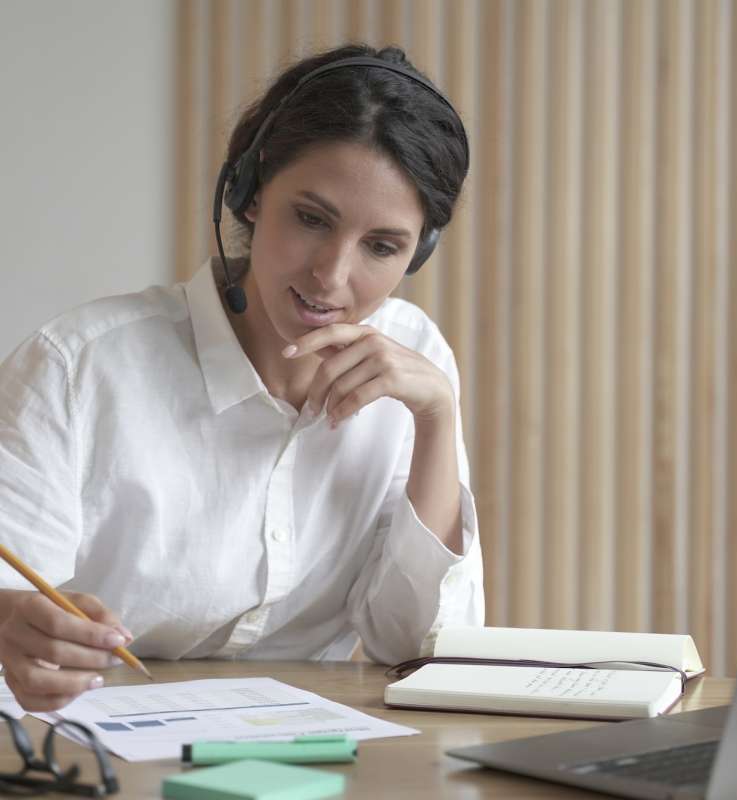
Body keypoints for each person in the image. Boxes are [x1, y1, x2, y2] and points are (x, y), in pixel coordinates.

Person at [0, 43, 484, 713]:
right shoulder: (75, 366)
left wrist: (436, 418)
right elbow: (12, 609)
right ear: (249, 193)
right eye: (311, 219)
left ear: (418, 251)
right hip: (88, 738)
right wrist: (12, 623)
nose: (331, 276)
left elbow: (418, 650)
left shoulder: (415, 359)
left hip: (308, 747)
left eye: (382, 246)